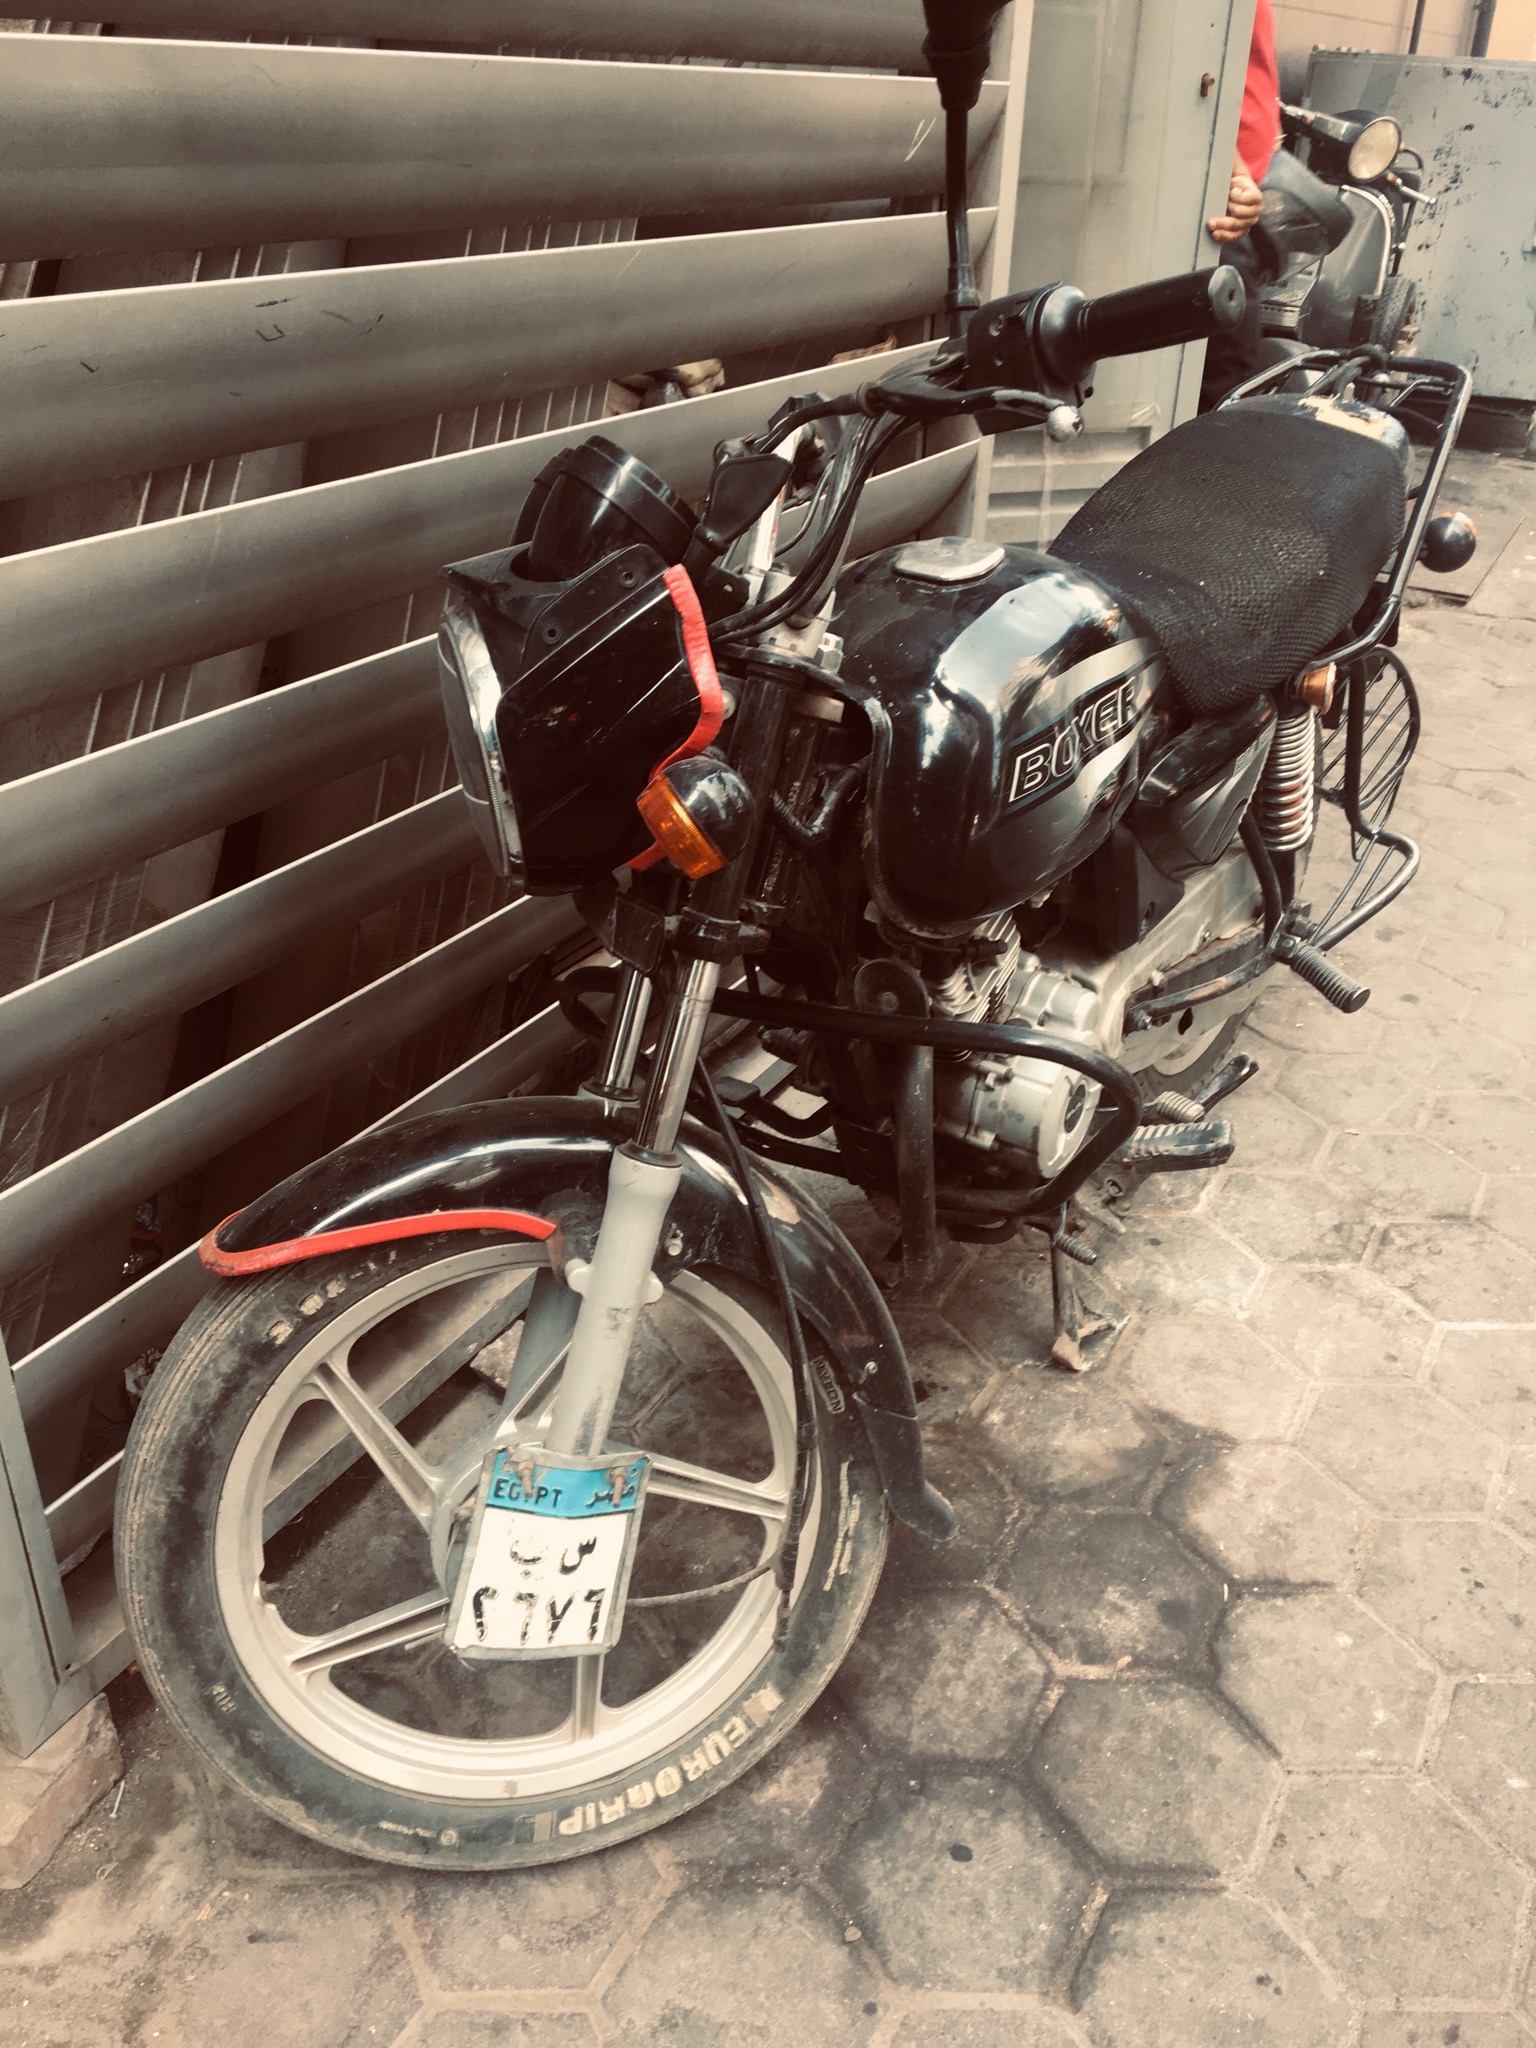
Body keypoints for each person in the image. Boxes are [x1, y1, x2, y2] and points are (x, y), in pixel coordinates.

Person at [1199, 0, 1280, 409]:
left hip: (1232, 189)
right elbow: (1190, 68)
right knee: (1225, 372)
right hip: (1211, 196)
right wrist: (1235, 172)